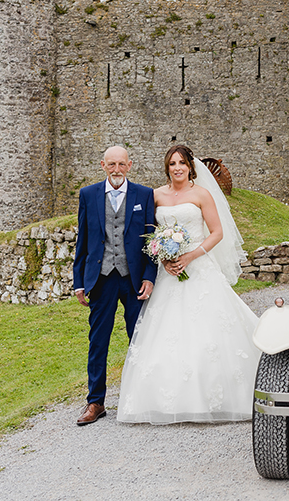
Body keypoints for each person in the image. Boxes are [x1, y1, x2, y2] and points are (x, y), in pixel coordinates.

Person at [117, 145, 261, 424]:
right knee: (166, 333)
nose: (177, 168)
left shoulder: (201, 194)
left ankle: (215, 397)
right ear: (167, 168)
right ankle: (165, 400)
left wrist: (191, 255)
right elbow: (148, 233)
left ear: (190, 167)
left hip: (198, 266)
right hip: (168, 272)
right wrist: (163, 257)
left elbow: (217, 232)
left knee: (208, 331)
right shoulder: (155, 195)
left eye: (182, 163)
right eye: (172, 164)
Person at [72, 145, 157, 426]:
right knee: (98, 341)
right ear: (103, 165)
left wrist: (149, 276)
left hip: (133, 279)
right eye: (112, 164)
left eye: (121, 164)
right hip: (102, 277)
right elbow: (82, 241)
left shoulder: (144, 195)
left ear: (130, 165)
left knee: (139, 338)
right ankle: (95, 402)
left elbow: (151, 240)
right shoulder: (88, 194)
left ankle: (143, 397)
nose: (117, 169)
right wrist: (79, 282)